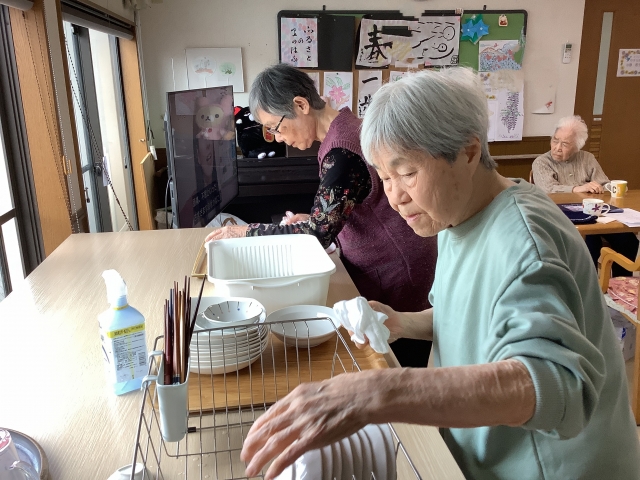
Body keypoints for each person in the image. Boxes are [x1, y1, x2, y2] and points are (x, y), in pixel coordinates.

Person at [239, 68, 640, 480]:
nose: (395, 197)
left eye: (407, 173)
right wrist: (402, 321)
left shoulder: (525, 240)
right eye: (385, 178)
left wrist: (377, 393)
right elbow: (468, 314)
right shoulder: (453, 215)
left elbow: (558, 385)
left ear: (468, 152)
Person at [205, 63, 437, 368]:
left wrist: (244, 232)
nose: (277, 137)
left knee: (396, 365)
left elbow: (317, 234)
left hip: (395, 273)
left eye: (275, 127)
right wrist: (315, 217)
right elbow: (345, 208)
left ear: (301, 105)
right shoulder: (343, 130)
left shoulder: (343, 152)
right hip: (390, 262)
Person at [532, 116, 639, 276]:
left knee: (628, 241)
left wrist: (612, 187)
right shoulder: (542, 162)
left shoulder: (587, 158)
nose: (557, 148)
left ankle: (618, 284)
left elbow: (603, 183)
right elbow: (548, 189)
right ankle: (589, 286)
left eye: (565, 144)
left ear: (577, 146)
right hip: (563, 217)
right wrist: (577, 188)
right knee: (590, 244)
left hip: (596, 215)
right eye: (555, 140)